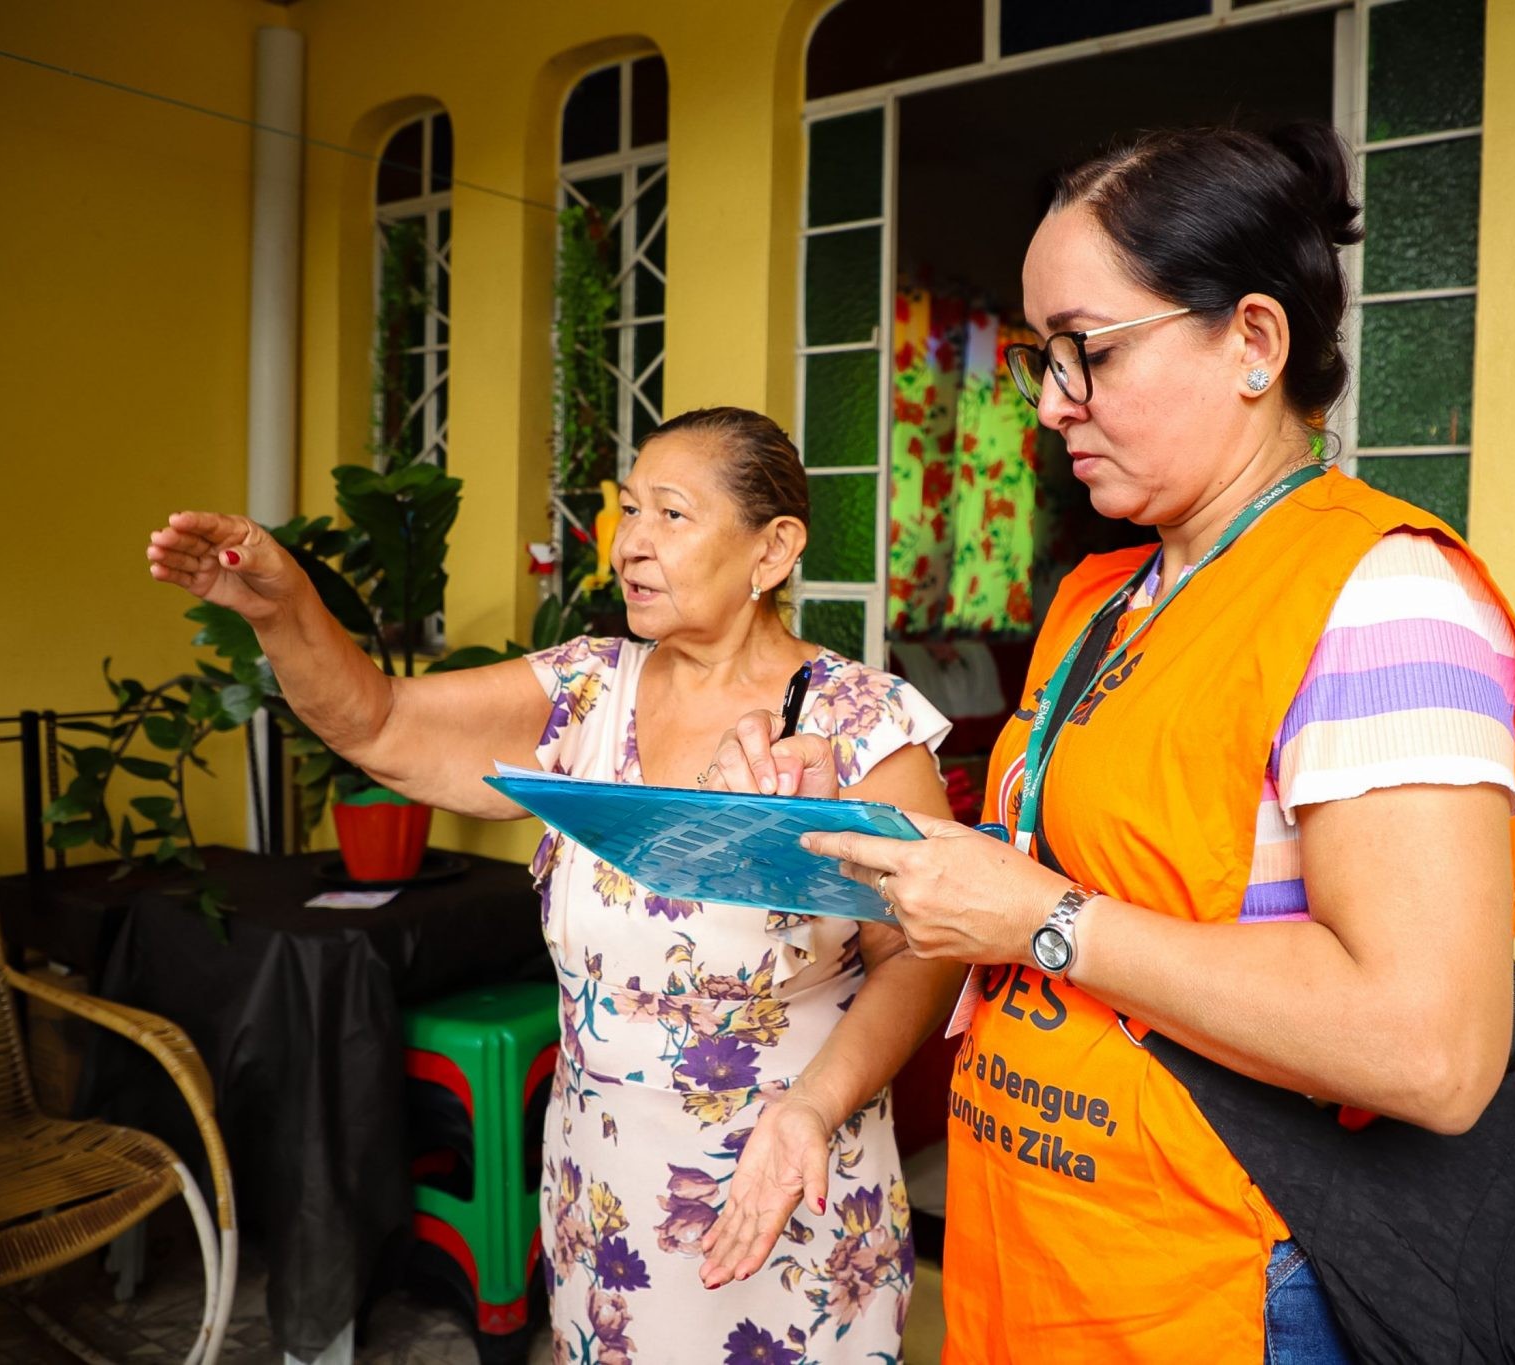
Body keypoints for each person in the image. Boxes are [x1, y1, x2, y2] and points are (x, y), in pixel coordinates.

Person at [716, 126, 1515, 1363]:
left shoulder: (1378, 598)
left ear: (1253, 344)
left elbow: (1429, 1048)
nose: (1052, 402)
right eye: (1038, 358)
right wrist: (847, 833)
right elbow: (1036, 873)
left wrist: (1044, 921)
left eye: (1088, 352)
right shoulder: (1105, 597)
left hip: (1212, 1283)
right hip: (1045, 1250)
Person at [145, 407, 961, 1364]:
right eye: (626, 511)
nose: (632, 544)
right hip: (602, 1192)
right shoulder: (585, 692)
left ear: (773, 549)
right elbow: (379, 723)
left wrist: (812, 1109)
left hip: (787, 1183)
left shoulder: (857, 723)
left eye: (671, 514)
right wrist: (282, 610)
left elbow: (919, 950)